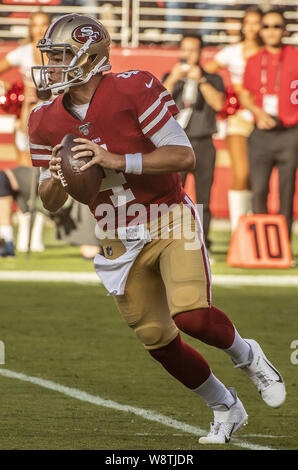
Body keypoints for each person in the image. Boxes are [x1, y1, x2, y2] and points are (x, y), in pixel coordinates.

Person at [29, 14, 286, 445]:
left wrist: (118, 160)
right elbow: (50, 201)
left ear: (90, 57)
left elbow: (185, 157)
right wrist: (57, 176)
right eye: (50, 57)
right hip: (114, 232)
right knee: (155, 337)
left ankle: (249, 356)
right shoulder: (43, 119)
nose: (52, 65)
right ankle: (225, 407)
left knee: (192, 315)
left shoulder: (133, 87)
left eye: (61, 56)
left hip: (167, 216)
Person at [162, 32, 225, 255]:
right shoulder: (170, 76)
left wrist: (202, 81)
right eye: (185, 49)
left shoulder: (213, 78)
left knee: (203, 198)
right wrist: (172, 80)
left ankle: (202, 243)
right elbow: (160, 103)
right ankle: (170, 241)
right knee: (172, 196)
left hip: (203, 143)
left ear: (201, 53)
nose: (188, 54)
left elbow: (218, 104)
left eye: (193, 50)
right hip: (176, 144)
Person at [240, 8, 298, 241]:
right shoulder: (254, 60)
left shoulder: (295, 56)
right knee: (259, 189)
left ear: (284, 30)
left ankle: (282, 244)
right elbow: (245, 94)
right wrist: (257, 112)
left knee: (286, 191)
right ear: (260, 31)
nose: (271, 31)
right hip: (261, 133)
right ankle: (261, 244)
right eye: (266, 26)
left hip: (289, 133)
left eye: (276, 26)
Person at [205, 6, 263, 232]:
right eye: (247, 22)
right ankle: (240, 229)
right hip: (239, 117)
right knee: (241, 173)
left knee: (257, 176)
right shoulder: (232, 51)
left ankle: (253, 224)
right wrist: (228, 94)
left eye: (256, 22)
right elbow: (208, 72)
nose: (251, 27)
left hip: (263, 118)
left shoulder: (268, 52)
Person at [0, 11, 51, 255]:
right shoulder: (21, 53)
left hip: (51, 116)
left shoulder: (56, 52)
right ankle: (26, 221)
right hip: (26, 115)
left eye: (44, 25)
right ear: (30, 28)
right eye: (36, 25)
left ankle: (38, 222)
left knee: (43, 170)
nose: (39, 30)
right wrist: (13, 90)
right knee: (25, 169)